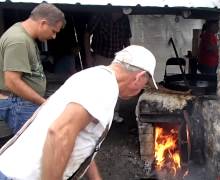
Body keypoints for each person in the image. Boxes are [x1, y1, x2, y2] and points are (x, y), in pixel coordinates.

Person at [0, 45, 158, 179]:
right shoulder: (103, 87)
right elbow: (59, 133)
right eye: (144, 84)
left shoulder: (95, 76)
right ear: (139, 77)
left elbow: (82, 138)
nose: (140, 89)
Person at [0, 2, 65, 134]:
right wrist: (43, 102)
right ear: (43, 23)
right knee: (29, 149)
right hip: (18, 104)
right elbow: (12, 81)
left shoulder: (25, 36)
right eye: (53, 31)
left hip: (23, 101)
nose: (54, 36)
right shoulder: (18, 40)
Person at [84, 10, 132, 123]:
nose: (122, 13)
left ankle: (114, 113)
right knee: (99, 86)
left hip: (118, 58)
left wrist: (128, 58)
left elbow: (126, 39)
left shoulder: (125, 19)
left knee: (118, 85)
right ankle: (96, 115)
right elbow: (87, 34)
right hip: (101, 55)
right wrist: (88, 56)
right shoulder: (99, 14)